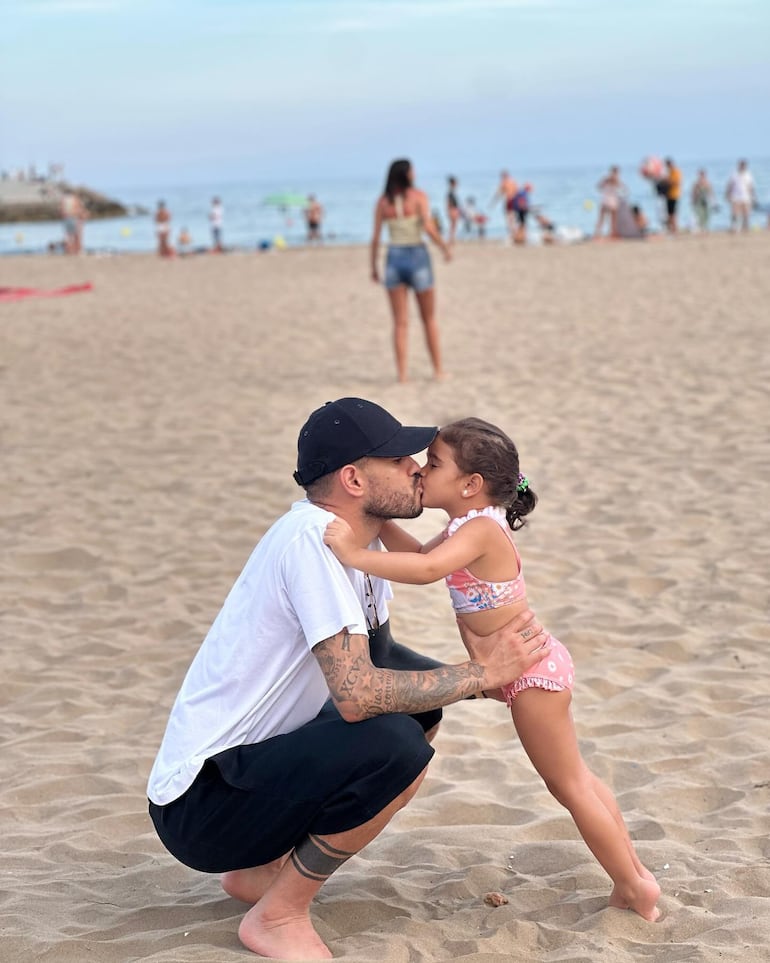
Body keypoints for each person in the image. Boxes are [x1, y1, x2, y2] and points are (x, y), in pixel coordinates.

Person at [147, 398, 549, 960]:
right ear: (354, 478)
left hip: (242, 777)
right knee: (395, 748)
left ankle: (260, 871)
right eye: (398, 457)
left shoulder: (360, 541)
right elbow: (359, 695)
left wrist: (491, 683)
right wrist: (481, 672)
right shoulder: (313, 542)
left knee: (417, 714)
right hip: (200, 805)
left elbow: (387, 661)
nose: (416, 466)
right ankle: (278, 915)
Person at [324, 417, 662, 923]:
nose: (420, 470)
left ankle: (635, 886)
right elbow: (419, 553)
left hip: (530, 674)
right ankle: (635, 877)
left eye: (434, 464)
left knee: (569, 785)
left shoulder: (480, 529)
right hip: (528, 665)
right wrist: (378, 520)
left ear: (470, 485)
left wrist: (351, 551)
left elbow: (425, 571)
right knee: (580, 779)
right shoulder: (468, 524)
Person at [370, 159, 451, 383]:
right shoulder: (418, 197)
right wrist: (444, 247)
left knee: (399, 322)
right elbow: (428, 227)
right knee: (429, 319)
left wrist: (373, 267)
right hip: (417, 257)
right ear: (406, 174)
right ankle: (437, 370)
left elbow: (376, 236)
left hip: (393, 258)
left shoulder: (383, 202)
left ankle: (402, 375)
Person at [594, 166, 626, 239]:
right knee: (612, 219)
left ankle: (598, 233)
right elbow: (623, 189)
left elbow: (599, 187)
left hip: (606, 199)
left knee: (602, 218)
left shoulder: (607, 179)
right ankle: (611, 233)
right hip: (612, 200)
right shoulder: (615, 180)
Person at [725, 159, 756, 232]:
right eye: (741, 165)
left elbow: (750, 187)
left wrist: (753, 196)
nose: (742, 167)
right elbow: (730, 185)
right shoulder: (734, 175)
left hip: (746, 197)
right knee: (734, 213)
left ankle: (745, 227)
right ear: (739, 166)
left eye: (743, 165)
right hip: (735, 196)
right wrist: (727, 194)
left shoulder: (748, 175)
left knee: (746, 214)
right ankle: (733, 227)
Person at [489, 169, 518, 240]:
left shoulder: (504, 183)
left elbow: (498, 194)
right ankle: (515, 234)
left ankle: (513, 235)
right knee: (513, 218)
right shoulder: (513, 182)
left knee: (509, 219)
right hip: (515, 201)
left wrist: (492, 203)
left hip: (509, 201)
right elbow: (517, 192)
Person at [60, 189, 87, 255]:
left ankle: (69, 251)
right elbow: (78, 210)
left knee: (69, 236)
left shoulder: (64, 200)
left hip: (66, 219)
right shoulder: (75, 199)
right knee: (77, 236)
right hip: (74, 218)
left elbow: (61, 211)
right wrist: (83, 215)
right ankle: (77, 251)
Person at [661, 158, 682, 233]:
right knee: (669, 213)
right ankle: (671, 229)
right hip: (668, 195)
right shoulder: (669, 172)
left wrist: (667, 181)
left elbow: (676, 182)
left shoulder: (675, 171)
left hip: (674, 195)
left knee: (672, 214)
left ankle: (674, 229)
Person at [446, 176, 462, 247]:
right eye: (455, 183)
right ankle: (451, 239)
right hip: (453, 209)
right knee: (453, 225)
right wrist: (449, 210)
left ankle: (452, 239)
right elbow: (448, 202)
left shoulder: (452, 191)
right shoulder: (450, 192)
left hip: (454, 209)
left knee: (453, 225)